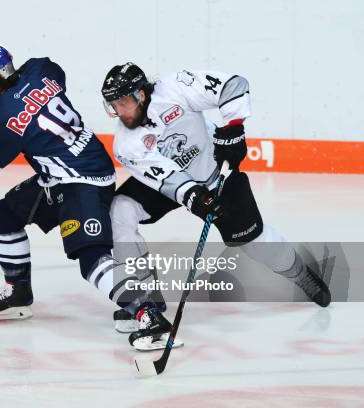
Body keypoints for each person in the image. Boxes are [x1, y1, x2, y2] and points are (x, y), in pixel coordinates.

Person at [0, 45, 168, 350]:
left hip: (82, 181)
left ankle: (148, 314)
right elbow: (55, 77)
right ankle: (18, 293)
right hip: (65, 173)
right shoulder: (39, 69)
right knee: (3, 217)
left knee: (91, 258)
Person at [101, 63, 332, 342]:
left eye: (123, 101)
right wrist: (193, 195)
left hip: (214, 170)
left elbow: (233, 85)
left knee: (254, 242)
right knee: (119, 210)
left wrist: (234, 127)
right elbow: (166, 179)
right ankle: (146, 300)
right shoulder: (126, 144)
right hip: (169, 182)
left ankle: (300, 273)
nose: (119, 111)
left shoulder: (174, 86)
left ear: (141, 94)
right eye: (113, 104)